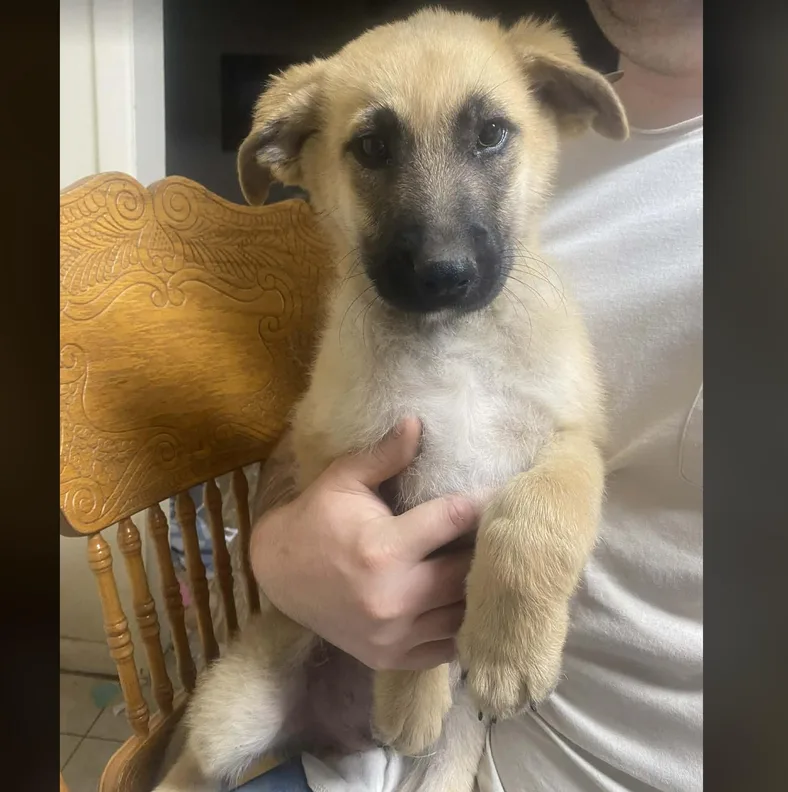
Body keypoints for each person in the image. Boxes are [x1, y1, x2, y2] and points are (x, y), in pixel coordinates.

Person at [243, 1, 703, 789]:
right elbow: (325, 441)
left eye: (486, 137)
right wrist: (281, 549)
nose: (444, 250)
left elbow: (569, 447)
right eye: (376, 148)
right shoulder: (542, 112)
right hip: (393, 741)